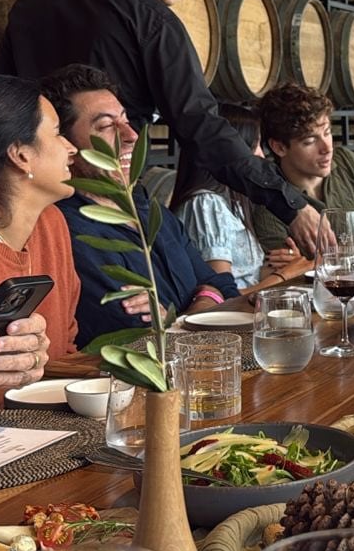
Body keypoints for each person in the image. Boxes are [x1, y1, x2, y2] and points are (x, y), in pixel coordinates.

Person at [0, 0, 322, 255]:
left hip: (32, 201)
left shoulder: (30, 6)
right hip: (108, 205)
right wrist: (288, 203)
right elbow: (202, 128)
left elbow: (6, 111)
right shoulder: (155, 22)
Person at [42, 66, 244, 348]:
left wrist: (176, 319)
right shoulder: (66, 230)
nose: (131, 135)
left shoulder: (148, 208)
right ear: (68, 147)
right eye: (105, 126)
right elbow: (135, 336)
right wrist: (200, 305)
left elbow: (223, 285)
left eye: (125, 120)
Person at [0, 75, 80, 366]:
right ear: (21, 154)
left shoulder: (51, 224)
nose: (71, 148)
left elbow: (65, 348)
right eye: (56, 133)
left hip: (48, 410)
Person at [254, 83, 354, 252]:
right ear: (279, 147)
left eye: (327, 132)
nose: (327, 148)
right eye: (310, 141)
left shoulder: (346, 161)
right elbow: (289, 273)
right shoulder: (269, 203)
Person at [170, 102, 288, 290]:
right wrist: (284, 276)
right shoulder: (205, 204)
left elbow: (248, 277)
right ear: (231, 152)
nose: (262, 156)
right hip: (230, 316)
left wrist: (291, 265)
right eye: (254, 146)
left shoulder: (231, 203)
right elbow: (222, 293)